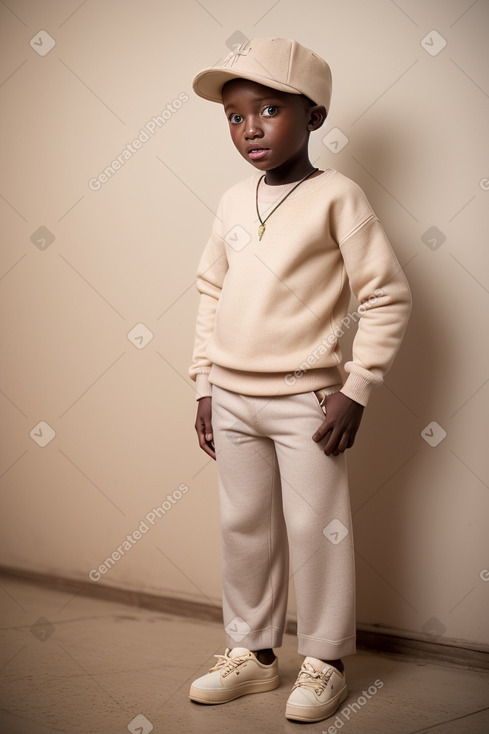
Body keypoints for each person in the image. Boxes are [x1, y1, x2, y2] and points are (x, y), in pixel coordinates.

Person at [187, 37, 411, 724]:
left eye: (268, 110)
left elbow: (386, 296)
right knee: (243, 525)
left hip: (306, 398)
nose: (249, 128)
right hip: (231, 394)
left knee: (317, 529)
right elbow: (209, 291)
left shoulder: (337, 196)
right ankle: (251, 655)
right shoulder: (231, 199)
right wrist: (202, 382)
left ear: (312, 116)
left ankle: (323, 661)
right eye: (233, 115)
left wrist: (357, 385)